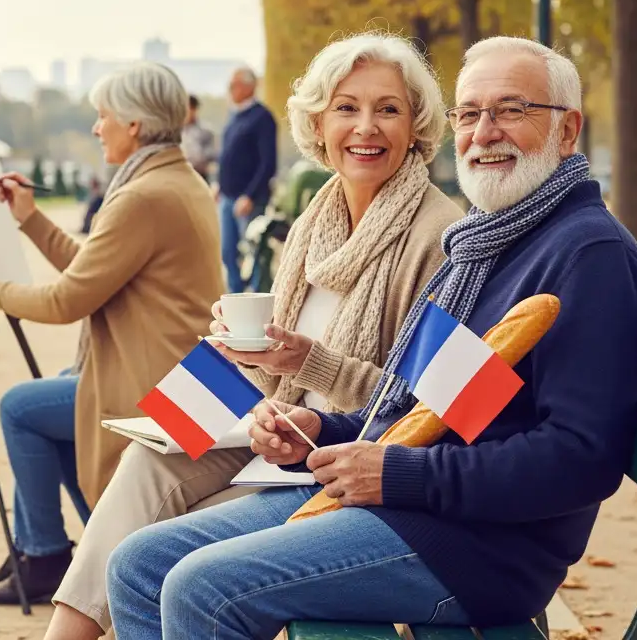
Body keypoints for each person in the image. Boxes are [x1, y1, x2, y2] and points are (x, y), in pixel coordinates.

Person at [105, 36, 637, 639]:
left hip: (477, 547)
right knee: (138, 563)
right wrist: (326, 428)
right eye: (469, 113)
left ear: (568, 130)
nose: (485, 130)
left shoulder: (586, 255)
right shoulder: (483, 242)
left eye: (511, 109)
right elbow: (429, 411)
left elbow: (580, 461)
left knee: (199, 586)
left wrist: (394, 473)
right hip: (401, 500)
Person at [42, 32, 463, 640]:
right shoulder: (317, 218)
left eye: (388, 109)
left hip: (333, 459)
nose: (365, 127)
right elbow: (273, 369)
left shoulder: (437, 236)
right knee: (147, 456)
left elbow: (425, 411)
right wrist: (220, 367)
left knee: (156, 548)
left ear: (416, 126)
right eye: (347, 107)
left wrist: (312, 362)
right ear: (318, 123)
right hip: (275, 432)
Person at [0, 61, 224, 607]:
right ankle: (56, 550)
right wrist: (31, 219)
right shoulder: (177, 179)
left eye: (103, 117)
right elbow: (96, 273)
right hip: (191, 380)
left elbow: (68, 299)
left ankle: (48, 556)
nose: (97, 128)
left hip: (156, 388)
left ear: (135, 125)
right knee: (47, 400)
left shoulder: (142, 196)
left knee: (20, 408)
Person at [216, 67, 277, 292]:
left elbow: (267, 163)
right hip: (227, 197)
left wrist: (250, 195)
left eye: (234, 85)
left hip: (248, 199)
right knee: (227, 252)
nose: (230, 90)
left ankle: (258, 301)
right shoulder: (234, 116)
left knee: (255, 253)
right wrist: (219, 186)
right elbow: (226, 156)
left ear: (249, 87)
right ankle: (235, 300)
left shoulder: (262, 118)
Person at [180, 94, 215, 181]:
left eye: (190, 109)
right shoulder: (176, 130)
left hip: (199, 175)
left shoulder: (205, 130)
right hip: (180, 175)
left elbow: (210, 154)